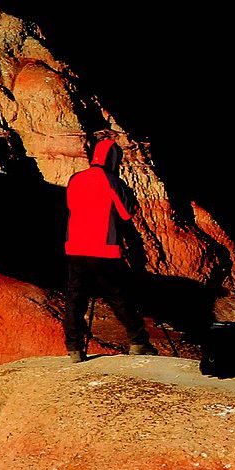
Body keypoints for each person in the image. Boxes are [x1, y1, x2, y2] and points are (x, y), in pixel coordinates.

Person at [61, 138, 154, 361]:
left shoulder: (75, 179)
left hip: (75, 247)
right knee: (118, 296)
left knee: (75, 298)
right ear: (113, 159)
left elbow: (72, 206)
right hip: (103, 248)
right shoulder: (112, 181)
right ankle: (138, 341)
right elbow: (126, 213)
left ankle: (74, 348)